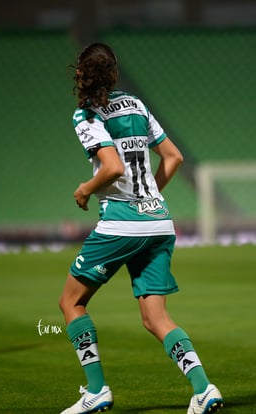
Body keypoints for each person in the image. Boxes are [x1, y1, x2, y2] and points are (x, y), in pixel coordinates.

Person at [58, 43, 223, 414]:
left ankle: (97, 390)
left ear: (81, 75)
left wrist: (85, 190)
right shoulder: (136, 104)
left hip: (120, 224)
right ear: (114, 74)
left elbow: (113, 168)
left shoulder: (86, 115)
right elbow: (173, 157)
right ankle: (204, 387)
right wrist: (147, 199)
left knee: (71, 302)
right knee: (155, 317)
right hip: (160, 222)